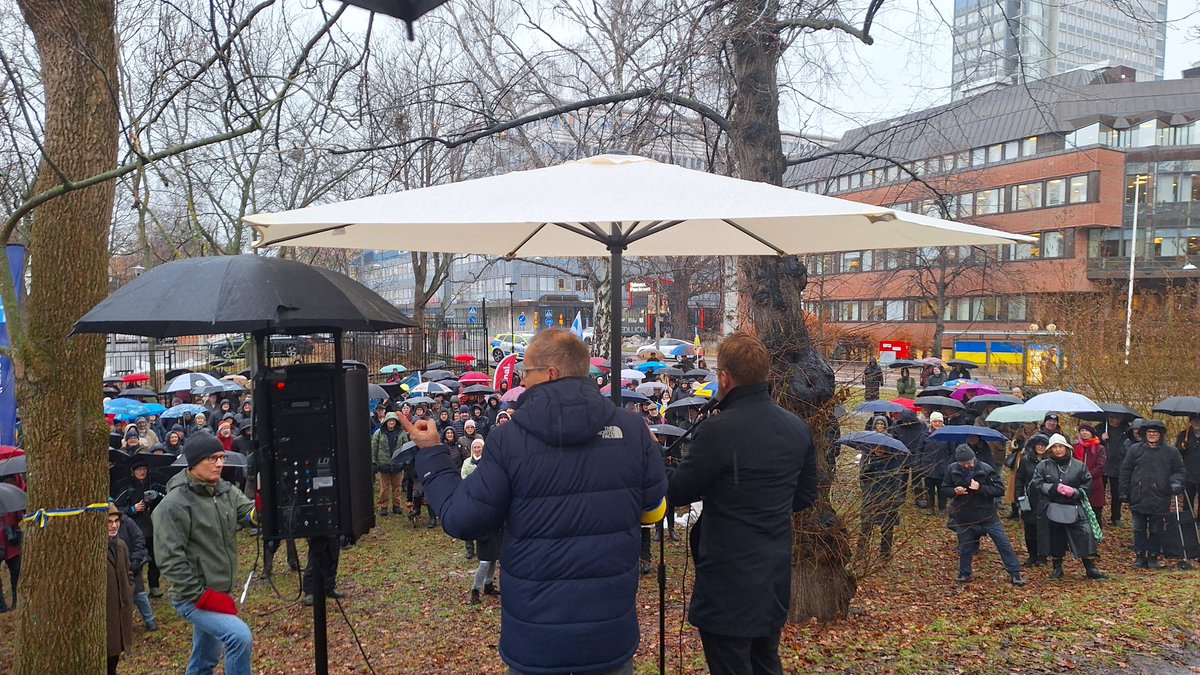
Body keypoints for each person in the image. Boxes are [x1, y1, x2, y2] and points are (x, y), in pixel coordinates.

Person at [410, 327, 667, 674]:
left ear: (550, 374)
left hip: (537, 640)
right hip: (608, 636)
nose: (521, 381)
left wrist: (432, 456)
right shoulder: (631, 430)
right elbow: (653, 510)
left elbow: (463, 519)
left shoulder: (508, 441)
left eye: (525, 373)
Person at [668, 333, 818, 675]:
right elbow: (805, 495)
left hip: (727, 582)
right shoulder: (796, 428)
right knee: (765, 661)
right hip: (773, 576)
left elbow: (677, 492)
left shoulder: (718, 431)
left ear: (725, 377)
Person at [152, 433, 257, 675]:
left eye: (221, 457)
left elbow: (248, 514)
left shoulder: (225, 491)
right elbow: (170, 560)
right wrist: (202, 597)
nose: (220, 463)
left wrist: (263, 506)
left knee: (204, 662)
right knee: (239, 637)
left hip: (218, 590)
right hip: (192, 597)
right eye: (212, 458)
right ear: (195, 462)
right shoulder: (174, 504)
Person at [941, 446, 1025, 586]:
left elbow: (999, 490)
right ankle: (964, 573)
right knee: (965, 547)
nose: (968, 465)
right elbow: (944, 489)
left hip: (987, 515)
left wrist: (981, 488)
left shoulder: (986, 469)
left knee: (1003, 544)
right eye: (964, 464)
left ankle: (1015, 573)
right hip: (964, 515)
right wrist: (954, 491)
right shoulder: (952, 469)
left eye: (970, 462)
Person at [1030, 434, 1106, 580]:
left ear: (1066, 448)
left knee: (1085, 535)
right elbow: (1036, 483)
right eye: (1054, 447)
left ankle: (1090, 567)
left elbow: (1087, 484)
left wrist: (1075, 492)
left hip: (1074, 505)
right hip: (1051, 505)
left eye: (1060, 446)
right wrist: (1053, 488)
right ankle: (1057, 568)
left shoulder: (1079, 465)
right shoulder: (1043, 465)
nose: (1058, 450)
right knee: (1055, 538)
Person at [1120, 419, 1186, 569]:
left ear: (1160, 434)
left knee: (1156, 529)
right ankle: (1139, 555)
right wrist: (1123, 492)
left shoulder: (1171, 452)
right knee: (1139, 528)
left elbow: (1180, 471)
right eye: (1149, 432)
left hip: (1160, 496)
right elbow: (1125, 471)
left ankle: (1153, 556)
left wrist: (1176, 482)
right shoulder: (1135, 450)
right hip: (1138, 494)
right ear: (1144, 434)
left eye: (1155, 432)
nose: (1152, 435)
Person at [113, 456, 166, 603]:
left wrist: (157, 496)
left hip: (154, 526)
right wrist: (132, 508)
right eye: (138, 470)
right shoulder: (127, 487)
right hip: (135, 529)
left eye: (144, 469)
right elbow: (116, 507)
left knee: (155, 558)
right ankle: (136, 589)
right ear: (133, 472)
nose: (142, 472)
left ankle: (154, 586)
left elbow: (167, 498)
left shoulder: (154, 483)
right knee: (136, 560)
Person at [461, 438, 500, 603]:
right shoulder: (468, 464)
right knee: (484, 561)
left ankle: (489, 585)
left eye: (480, 447)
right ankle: (475, 591)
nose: (477, 449)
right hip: (482, 522)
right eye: (475, 447)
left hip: (495, 522)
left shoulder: (491, 466)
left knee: (493, 559)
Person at [858, 440, 906, 562]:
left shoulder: (894, 463)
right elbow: (863, 479)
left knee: (887, 529)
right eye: (876, 446)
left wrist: (893, 501)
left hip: (887, 500)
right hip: (870, 499)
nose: (878, 449)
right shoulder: (869, 460)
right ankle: (861, 553)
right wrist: (866, 469)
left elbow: (898, 484)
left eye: (881, 447)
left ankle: (885, 554)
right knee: (865, 527)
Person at [107, 505, 134, 675]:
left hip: (120, 611)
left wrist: (129, 591)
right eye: (109, 522)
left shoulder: (121, 545)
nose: (114, 525)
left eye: (116, 521)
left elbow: (128, 571)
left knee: (114, 660)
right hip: (105, 615)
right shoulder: (94, 550)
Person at [1016, 434, 1050, 567]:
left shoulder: (1050, 461)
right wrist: (1019, 496)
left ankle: (1043, 556)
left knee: (1043, 529)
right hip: (1029, 498)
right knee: (1029, 528)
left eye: (1043, 445)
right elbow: (1019, 479)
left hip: (1045, 498)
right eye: (1038, 444)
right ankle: (1032, 555)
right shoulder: (1026, 460)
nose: (1041, 447)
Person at [371, 412, 408, 517]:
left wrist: (406, 461)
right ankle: (383, 506)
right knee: (384, 487)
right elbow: (374, 447)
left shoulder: (401, 433)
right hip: (383, 463)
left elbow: (405, 447)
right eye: (389, 421)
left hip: (398, 464)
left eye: (393, 421)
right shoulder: (378, 433)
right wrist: (374, 462)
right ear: (386, 422)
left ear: (396, 422)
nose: (391, 422)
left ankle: (396, 506)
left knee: (397, 487)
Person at [915, 412, 952, 514]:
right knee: (929, 489)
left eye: (939, 421)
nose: (937, 423)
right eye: (935, 421)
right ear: (931, 422)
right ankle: (930, 507)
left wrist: (949, 465)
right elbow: (920, 450)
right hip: (928, 466)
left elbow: (952, 451)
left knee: (942, 490)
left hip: (943, 466)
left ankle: (942, 508)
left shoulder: (947, 435)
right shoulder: (925, 434)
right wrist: (919, 465)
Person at [1100, 414, 1131, 527]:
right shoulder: (1101, 428)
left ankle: (1116, 517)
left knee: (1117, 494)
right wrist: (1100, 438)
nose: (1114, 420)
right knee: (1099, 493)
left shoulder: (1126, 431)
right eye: (1111, 417)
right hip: (1102, 465)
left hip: (1118, 465)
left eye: (1117, 417)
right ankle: (1097, 515)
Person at [1073, 425, 1108, 525]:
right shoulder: (1077, 447)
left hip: (1095, 483)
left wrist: (1087, 476)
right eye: (1082, 431)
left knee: (1095, 511)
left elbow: (1100, 466)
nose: (1084, 433)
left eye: (1087, 431)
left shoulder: (1099, 448)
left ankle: (1096, 534)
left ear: (1092, 433)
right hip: (1078, 483)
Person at [1175, 415, 1200, 515]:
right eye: (1194, 421)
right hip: (1188, 473)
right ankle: (1188, 521)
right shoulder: (1184, 435)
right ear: (1190, 421)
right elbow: (1176, 453)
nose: (1197, 423)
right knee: (1187, 500)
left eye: (1199, 421)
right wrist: (1182, 447)